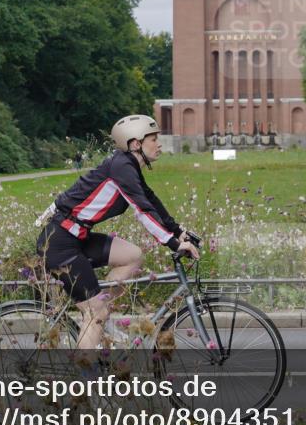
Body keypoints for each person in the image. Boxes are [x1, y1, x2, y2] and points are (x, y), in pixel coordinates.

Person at [36, 114, 199, 349]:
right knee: (94, 315)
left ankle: (104, 317)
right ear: (136, 144)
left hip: (77, 238)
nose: (159, 144)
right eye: (153, 139)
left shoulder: (128, 166)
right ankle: (86, 380)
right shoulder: (121, 167)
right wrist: (173, 244)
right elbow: (142, 210)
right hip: (59, 244)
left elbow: (150, 200)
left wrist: (178, 231)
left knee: (132, 255)